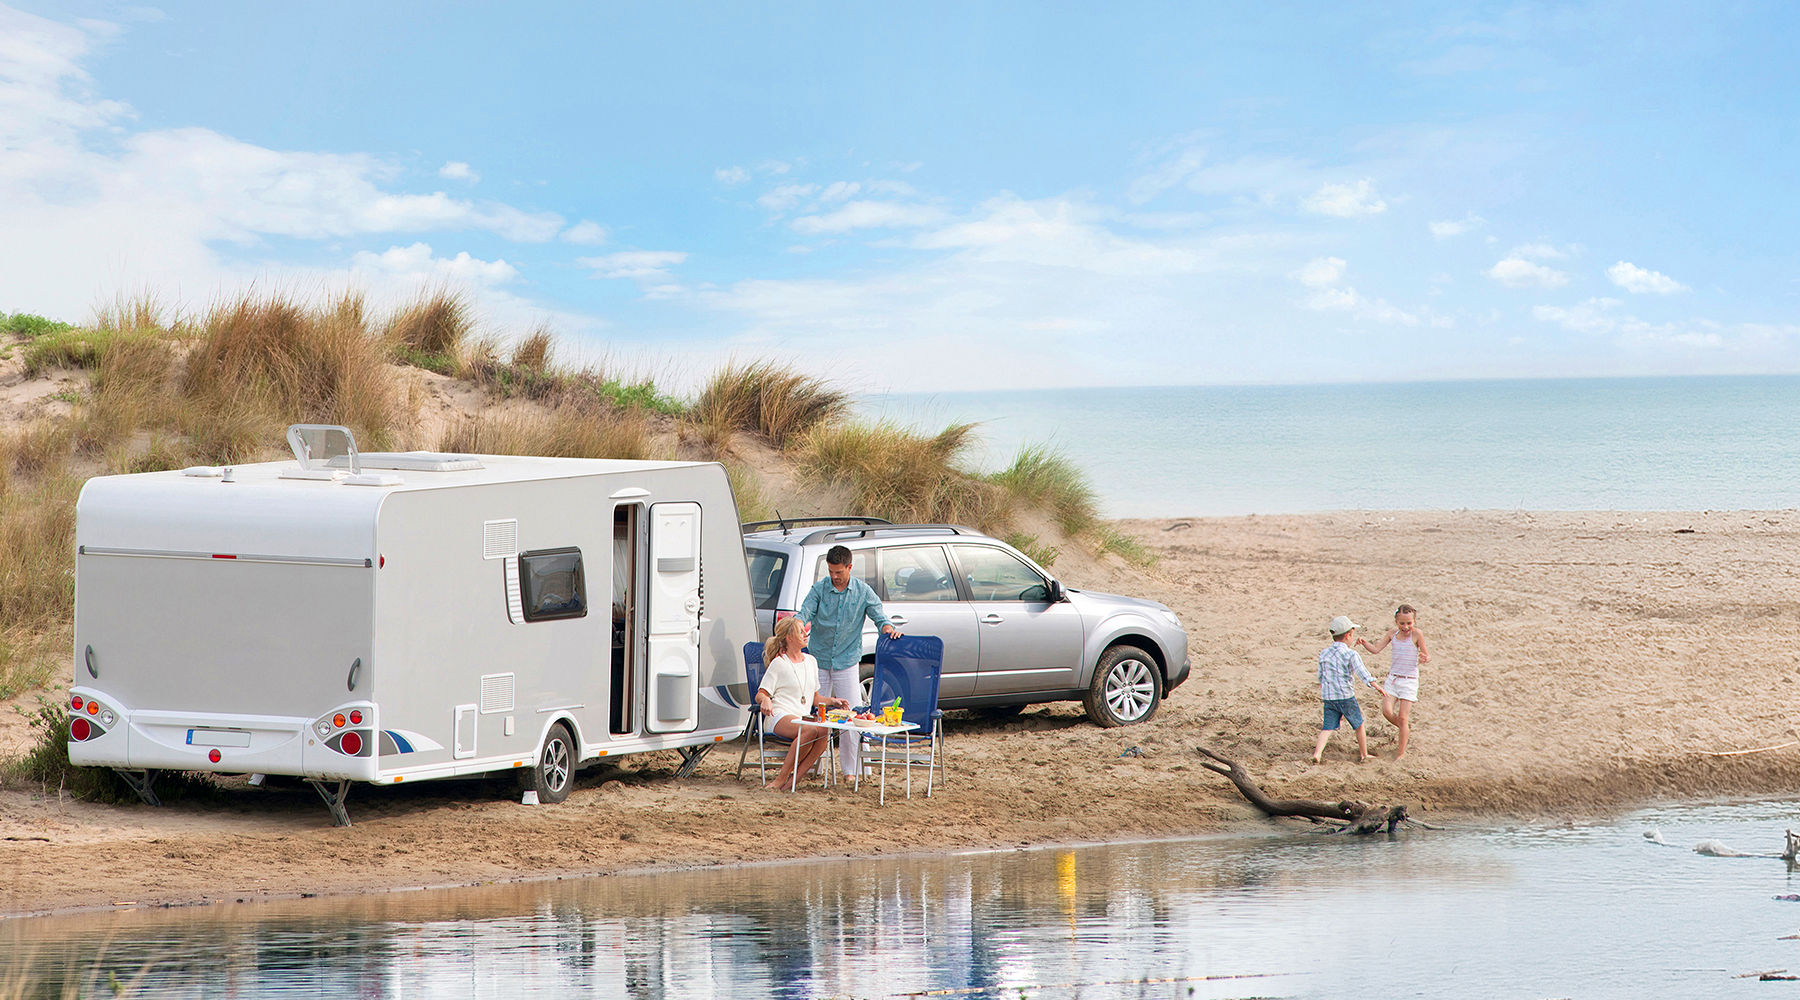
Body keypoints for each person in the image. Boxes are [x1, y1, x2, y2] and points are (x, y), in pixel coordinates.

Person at [797, 545, 901, 779]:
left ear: (850, 568)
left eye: (839, 572)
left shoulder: (863, 591)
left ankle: (851, 771)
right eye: (831, 571)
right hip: (819, 659)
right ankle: (815, 767)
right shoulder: (819, 589)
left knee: (852, 717)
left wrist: (888, 629)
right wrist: (796, 624)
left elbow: (880, 617)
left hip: (846, 661)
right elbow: (804, 612)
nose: (834, 576)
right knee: (816, 716)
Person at [754, 615, 850, 790]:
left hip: (802, 717)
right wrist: (766, 699)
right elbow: (760, 694)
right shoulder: (779, 663)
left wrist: (832, 701)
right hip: (779, 715)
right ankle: (780, 779)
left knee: (823, 730)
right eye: (800, 632)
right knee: (811, 728)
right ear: (789, 638)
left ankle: (794, 780)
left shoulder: (811, 661)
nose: (806, 634)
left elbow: (814, 698)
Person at [1357, 604, 1431, 760]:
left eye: (1409, 623)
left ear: (1414, 621)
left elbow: (1426, 654)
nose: (1406, 627)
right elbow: (1376, 649)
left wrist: (1425, 658)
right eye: (1402, 623)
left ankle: (1400, 752)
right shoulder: (1392, 634)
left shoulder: (1417, 634)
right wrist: (1364, 643)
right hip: (1393, 679)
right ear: (1396, 622)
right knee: (1386, 711)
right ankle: (1404, 730)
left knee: (1403, 717)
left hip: (1409, 680)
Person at [1313, 614, 1382, 764]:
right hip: (1345, 696)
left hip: (1329, 697)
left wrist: (1322, 684)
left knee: (1327, 728)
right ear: (1348, 635)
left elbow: (1321, 673)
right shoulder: (1351, 654)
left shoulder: (1324, 653)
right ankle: (1364, 754)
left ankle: (1317, 753)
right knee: (1359, 724)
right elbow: (1362, 672)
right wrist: (1375, 685)